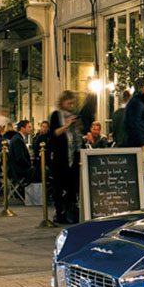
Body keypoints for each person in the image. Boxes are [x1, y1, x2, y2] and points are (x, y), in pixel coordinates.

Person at [49, 90, 82, 224]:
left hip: (73, 156)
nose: (71, 106)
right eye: (69, 103)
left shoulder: (73, 116)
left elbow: (77, 136)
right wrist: (66, 125)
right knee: (59, 185)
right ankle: (59, 212)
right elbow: (54, 133)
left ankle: (71, 211)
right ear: (62, 103)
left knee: (72, 186)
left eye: (73, 104)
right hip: (60, 157)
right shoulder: (56, 115)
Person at [8, 120, 36, 184]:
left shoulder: (18, 138)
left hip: (17, 169)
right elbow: (20, 158)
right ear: (22, 128)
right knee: (41, 172)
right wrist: (30, 166)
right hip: (18, 171)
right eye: (29, 127)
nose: (31, 129)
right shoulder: (18, 139)